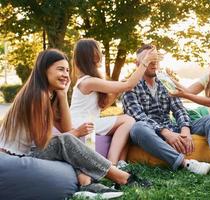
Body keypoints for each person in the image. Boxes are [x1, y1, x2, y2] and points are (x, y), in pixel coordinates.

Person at [0, 49, 150, 198]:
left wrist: (63, 94)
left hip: (28, 152)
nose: (65, 74)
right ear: (44, 70)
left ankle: (86, 184)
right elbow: (43, 141)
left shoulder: (49, 94)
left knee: (68, 141)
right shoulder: (37, 96)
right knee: (66, 141)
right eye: (60, 69)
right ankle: (123, 178)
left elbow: (66, 128)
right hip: (14, 157)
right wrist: (75, 133)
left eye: (67, 70)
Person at [122, 44, 210, 177]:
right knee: (138, 128)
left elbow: (180, 109)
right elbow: (139, 117)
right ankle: (185, 163)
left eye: (155, 59)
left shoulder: (164, 83)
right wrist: (166, 133)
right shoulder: (129, 86)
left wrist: (185, 129)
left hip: (174, 128)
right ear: (137, 63)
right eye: (148, 60)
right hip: (152, 132)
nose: (153, 63)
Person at [70, 38, 158, 168]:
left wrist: (118, 89)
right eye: (98, 52)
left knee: (126, 121)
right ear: (91, 56)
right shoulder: (88, 81)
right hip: (81, 123)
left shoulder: (90, 80)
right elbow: (129, 85)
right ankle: (112, 163)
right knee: (128, 120)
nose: (101, 55)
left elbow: (102, 106)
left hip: (88, 120)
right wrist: (145, 62)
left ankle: (122, 163)